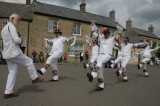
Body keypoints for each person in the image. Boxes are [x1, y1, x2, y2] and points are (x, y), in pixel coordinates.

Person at [1, 13, 44, 99]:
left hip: (7, 53)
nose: (19, 22)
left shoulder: (4, 28)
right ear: (12, 18)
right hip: (13, 52)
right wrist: (21, 39)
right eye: (18, 20)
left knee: (12, 72)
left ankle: (8, 92)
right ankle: (34, 78)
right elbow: (16, 40)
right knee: (29, 61)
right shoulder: (12, 27)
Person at [87, 26, 122, 91]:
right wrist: (93, 25)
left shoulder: (112, 39)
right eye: (104, 33)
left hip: (107, 55)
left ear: (109, 33)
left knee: (99, 62)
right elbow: (94, 33)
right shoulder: (101, 38)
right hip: (100, 55)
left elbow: (119, 33)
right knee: (99, 72)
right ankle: (101, 85)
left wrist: (118, 27)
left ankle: (92, 74)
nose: (105, 34)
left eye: (106, 33)